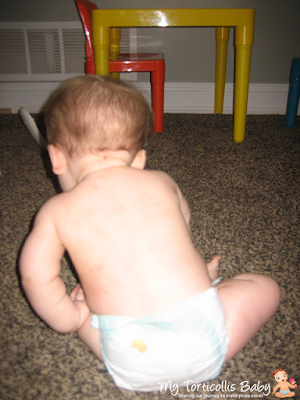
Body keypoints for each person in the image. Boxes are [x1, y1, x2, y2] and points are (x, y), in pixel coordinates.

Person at [19, 75, 281, 392]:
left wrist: (69, 319)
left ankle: (87, 326)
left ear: (56, 157)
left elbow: (35, 278)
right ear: (139, 160)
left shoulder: (55, 211)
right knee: (264, 287)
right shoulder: (162, 182)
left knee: (82, 308)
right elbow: (179, 238)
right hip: (205, 342)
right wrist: (201, 275)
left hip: (129, 358)